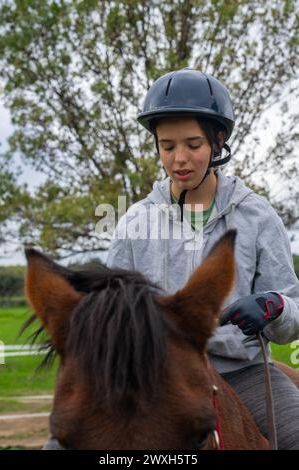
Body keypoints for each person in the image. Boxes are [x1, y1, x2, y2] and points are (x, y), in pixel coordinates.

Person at [107, 68, 299, 449]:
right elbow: (113, 317)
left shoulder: (258, 217)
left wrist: (273, 306)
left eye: (193, 144)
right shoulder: (132, 224)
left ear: (218, 140)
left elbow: (291, 320)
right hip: (158, 378)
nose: (179, 159)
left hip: (242, 372)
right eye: (167, 146)